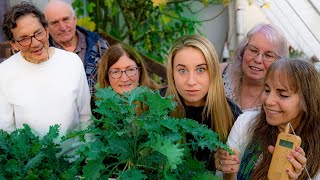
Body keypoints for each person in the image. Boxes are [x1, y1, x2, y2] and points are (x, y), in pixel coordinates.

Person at [0, 2, 91, 154]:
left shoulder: (72, 62)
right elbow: (6, 129)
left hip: (74, 162)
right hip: (31, 168)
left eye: (38, 33)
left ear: (47, 31)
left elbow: (85, 116)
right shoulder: (4, 72)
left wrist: (88, 157)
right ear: (13, 44)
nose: (35, 43)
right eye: (24, 38)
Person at [215, 59, 320, 179]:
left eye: (283, 95)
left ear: (307, 101)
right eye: (267, 90)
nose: (269, 101)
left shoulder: (316, 151)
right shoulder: (245, 123)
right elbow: (221, 176)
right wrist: (228, 169)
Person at [164, 34, 242, 171]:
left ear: (212, 71)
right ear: (172, 74)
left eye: (200, 69)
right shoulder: (157, 107)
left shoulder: (232, 114)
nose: (191, 81)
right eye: (182, 70)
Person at [43, 0, 109, 95]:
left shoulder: (99, 45)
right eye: (55, 23)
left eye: (66, 19)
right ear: (47, 27)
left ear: (74, 19)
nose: (62, 27)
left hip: (99, 107)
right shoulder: (43, 54)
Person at [221, 23, 288, 112]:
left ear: (279, 62)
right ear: (243, 51)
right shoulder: (221, 73)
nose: (258, 60)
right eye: (253, 50)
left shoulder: (282, 98)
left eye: (268, 55)